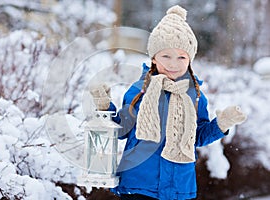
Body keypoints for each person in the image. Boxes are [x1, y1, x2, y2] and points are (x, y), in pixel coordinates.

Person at [89, 5, 247, 200]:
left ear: (189, 60)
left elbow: (196, 137)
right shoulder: (139, 91)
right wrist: (105, 107)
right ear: (154, 59)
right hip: (138, 185)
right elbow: (121, 130)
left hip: (178, 187)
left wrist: (221, 124)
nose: (173, 63)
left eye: (181, 57)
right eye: (166, 56)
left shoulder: (196, 97)